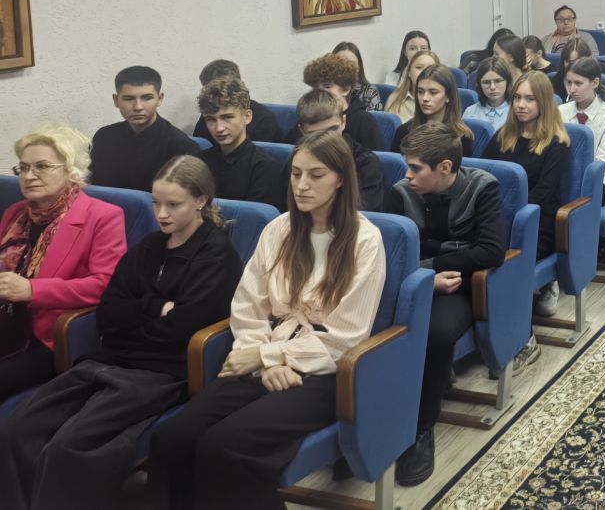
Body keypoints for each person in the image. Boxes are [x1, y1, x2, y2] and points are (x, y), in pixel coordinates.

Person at [148, 131, 387, 510]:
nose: (301, 185)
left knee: (223, 445)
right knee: (173, 436)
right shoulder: (278, 229)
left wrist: (270, 357)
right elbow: (248, 306)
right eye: (296, 174)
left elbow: (346, 337)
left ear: (341, 179)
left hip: (324, 372)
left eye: (316, 175)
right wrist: (264, 356)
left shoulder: (365, 240)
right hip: (263, 353)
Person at [0, 156, 240, 509]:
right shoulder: (150, 246)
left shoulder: (216, 256)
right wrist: (157, 307)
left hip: (160, 371)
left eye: (173, 205)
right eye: (156, 203)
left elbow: (182, 329)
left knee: (70, 445)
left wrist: (138, 313)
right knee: (16, 429)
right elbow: (109, 312)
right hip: (107, 358)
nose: (161, 214)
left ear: (200, 201)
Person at [384, 123, 507, 486]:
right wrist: (430, 272)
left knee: (435, 333)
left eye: (415, 168)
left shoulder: (482, 187)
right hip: (413, 281)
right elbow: (391, 253)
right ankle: (375, 420)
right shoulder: (400, 193)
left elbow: (491, 251)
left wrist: (431, 263)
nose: (407, 175)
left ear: (445, 168)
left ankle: (422, 429)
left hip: (461, 287)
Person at [0, 126, 127, 401]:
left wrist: (32, 290)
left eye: (42, 166)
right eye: (23, 168)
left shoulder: (103, 217)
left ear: (71, 171)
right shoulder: (15, 213)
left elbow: (106, 284)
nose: (29, 176)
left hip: (49, 335)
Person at [483, 71, 569, 319]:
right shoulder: (503, 135)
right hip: (498, 216)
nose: (521, 105)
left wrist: (504, 213)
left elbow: (543, 193)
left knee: (498, 258)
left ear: (544, 102)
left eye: (530, 99)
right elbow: (483, 174)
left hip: (536, 221)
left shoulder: (557, 142)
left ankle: (542, 286)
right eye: (517, 98)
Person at [90, 66, 199, 191]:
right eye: (128, 99)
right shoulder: (104, 137)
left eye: (147, 98)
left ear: (160, 99)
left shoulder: (181, 146)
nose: (138, 107)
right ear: (116, 100)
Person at [290, 90, 386, 212]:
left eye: (332, 130)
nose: (326, 140)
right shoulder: (297, 161)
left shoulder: (365, 163)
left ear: (343, 122)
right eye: (315, 135)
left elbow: (363, 213)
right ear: (302, 131)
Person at [196, 78, 282, 209]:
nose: (219, 128)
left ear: (247, 117)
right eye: (211, 119)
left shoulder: (263, 168)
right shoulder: (199, 162)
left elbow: (257, 218)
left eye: (227, 117)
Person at [287, 53, 384, 151]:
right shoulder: (310, 115)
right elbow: (289, 150)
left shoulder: (363, 121)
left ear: (346, 89)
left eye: (327, 86)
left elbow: (375, 156)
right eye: (315, 87)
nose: (320, 92)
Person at [558, 58, 605, 198]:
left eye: (578, 83)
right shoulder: (560, 111)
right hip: (565, 176)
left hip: (598, 180)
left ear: (595, 83)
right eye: (569, 83)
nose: (572, 89)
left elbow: (602, 162)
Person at [391, 64, 475, 156]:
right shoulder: (404, 131)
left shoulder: (462, 136)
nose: (425, 98)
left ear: (448, 96)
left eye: (433, 92)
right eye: (420, 92)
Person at [193, 60, 283, 144]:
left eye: (227, 117)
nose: (219, 128)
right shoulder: (210, 113)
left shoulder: (264, 120)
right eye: (211, 92)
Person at [551, 36, 605, 100]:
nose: (574, 66)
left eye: (578, 61)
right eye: (569, 62)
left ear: (589, 58)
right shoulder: (553, 82)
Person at [385, 48, 440, 121]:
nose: (424, 72)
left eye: (430, 69)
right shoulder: (394, 99)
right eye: (419, 67)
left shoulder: (443, 101)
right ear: (409, 72)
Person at [462, 56, 513, 128]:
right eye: (486, 82)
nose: (492, 87)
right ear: (480, 84)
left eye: (498, 81)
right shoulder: (470, 112)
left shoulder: (516, 111)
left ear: (507, 82)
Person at [331, 42, 384, 111]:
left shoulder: (369, 92)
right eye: (340, 63)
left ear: (358, 68)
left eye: (351, 64)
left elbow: (374, 117)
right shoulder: (325, 90)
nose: (345, 67)